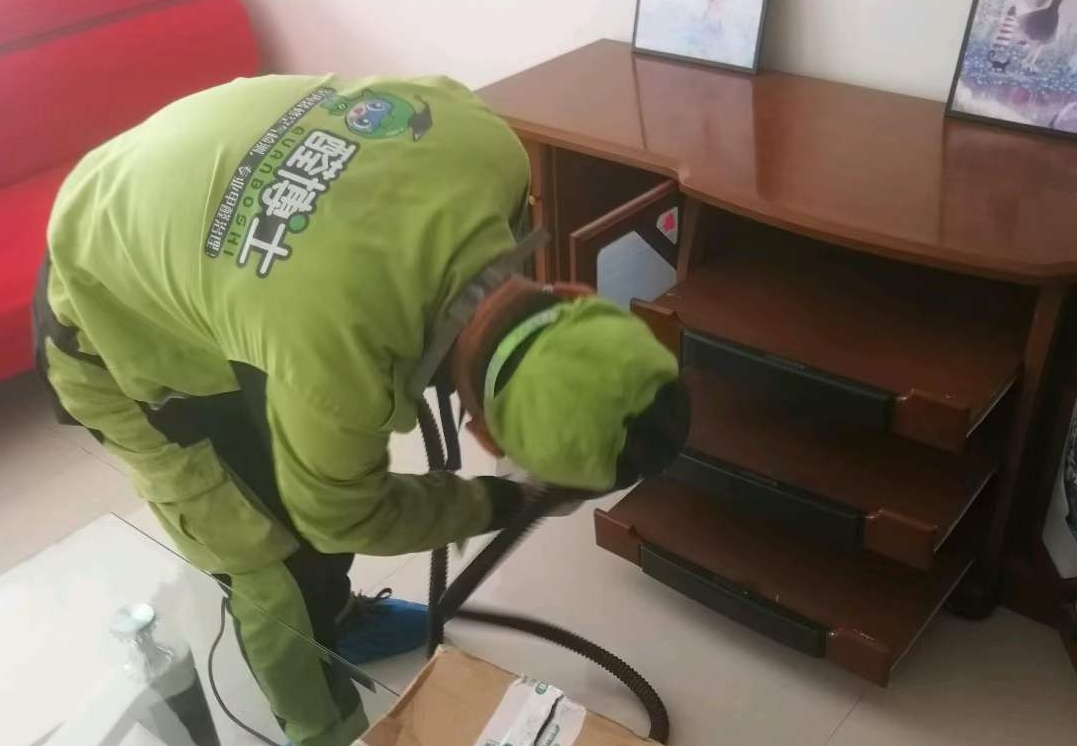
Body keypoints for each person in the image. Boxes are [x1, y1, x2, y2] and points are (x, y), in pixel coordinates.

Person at [33, 74, 689, 746]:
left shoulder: (495, 150)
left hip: (170, 200)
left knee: (298, 472)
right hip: (105, 308)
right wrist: (502, 503)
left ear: (577, 295)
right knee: (270, 564)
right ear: (484, 433)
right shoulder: (337, 371)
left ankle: (342, 622)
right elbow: (341, 514)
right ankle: (320, 730)